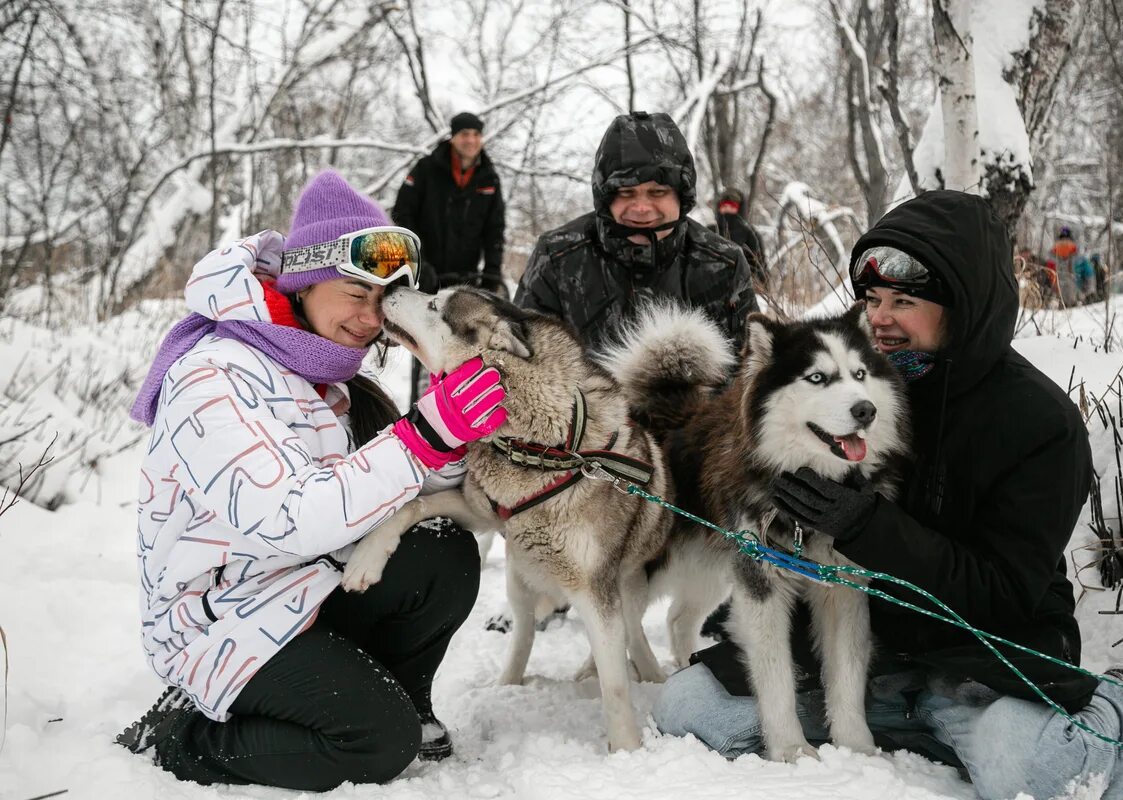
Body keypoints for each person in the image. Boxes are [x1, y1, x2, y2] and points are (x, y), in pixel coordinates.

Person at [653, 190, 1123, 800]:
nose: (880, 319)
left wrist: (869, 527)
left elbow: (1004, 593)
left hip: (982, 660)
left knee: (1038, 774)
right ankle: (925, 733)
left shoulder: (1039, 422)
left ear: (964, 305)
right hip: (878, 660)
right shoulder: (863, 391)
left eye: (905, 302)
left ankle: (1108, 712)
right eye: (873, 300)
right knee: (691, 709)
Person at [117, 170, 508, 791]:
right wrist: (424, 437)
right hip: (218, 623)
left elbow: (404, 494)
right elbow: (287, 518)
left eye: (382, 299)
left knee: (441, 547)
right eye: (355, 291)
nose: (370, 317)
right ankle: (181, 735)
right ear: (301, 282)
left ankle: (406, 701)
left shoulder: (323, 374)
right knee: (374, 742)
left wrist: (451, 434)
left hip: (303, 587)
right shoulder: (215, 375)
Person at [514, 111, 758, 355]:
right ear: (605, 198)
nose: (641, 208)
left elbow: (751, 370)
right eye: (626, 193)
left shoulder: (724, 264)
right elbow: (521, 362)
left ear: (681, 196)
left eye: (657, 193)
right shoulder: (557, 258)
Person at [392, 110, 506, 402]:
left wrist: (492, 270)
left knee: (463, 347)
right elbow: (402, 214)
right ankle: (420, 405)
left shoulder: (488, 177)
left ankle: (455, 406)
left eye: (476, 135)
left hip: (467, 279)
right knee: (425, 342)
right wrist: (418, 263)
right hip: (429, 274)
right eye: (465, 134)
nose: (471, 140)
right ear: (453, 137)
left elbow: (495, 228)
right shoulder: (427, 169)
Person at [713, 187, 766, 286]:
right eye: (724, 206)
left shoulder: (751, 234)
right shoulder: (710, 231)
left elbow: (760, 268)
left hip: (744, 289)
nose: (728, 210)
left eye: (732, 206)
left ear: (739, 209)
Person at [1051, 225, 1081, 307]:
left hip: (1060, 269)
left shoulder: (1056, 246)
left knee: (1061, 286)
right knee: (1070, 285)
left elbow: (1051, 255)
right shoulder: (1073, 245)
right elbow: (1076, 254)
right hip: (1069, 268)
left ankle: (1062, 303)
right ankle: (1072, 302)